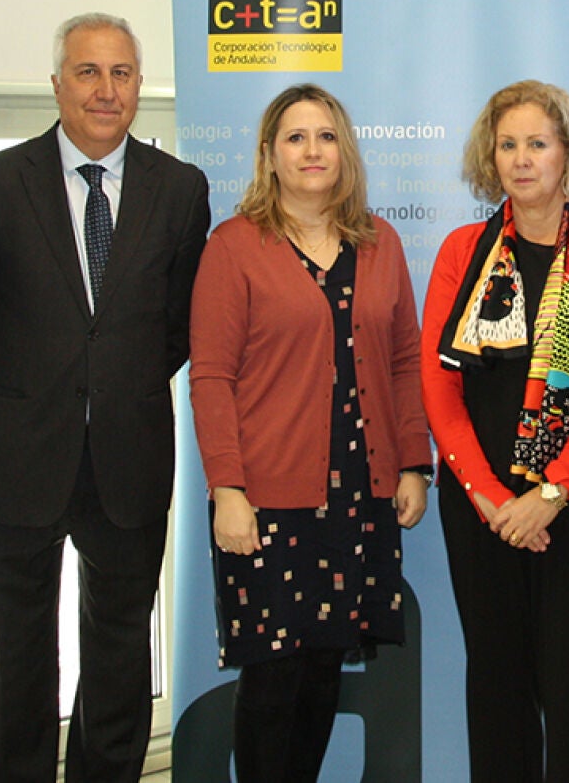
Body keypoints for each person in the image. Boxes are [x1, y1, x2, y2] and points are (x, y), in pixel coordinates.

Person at [0, 13, 210, 782]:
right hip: (19, 456)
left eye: (121, 73)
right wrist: (38, 389)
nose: (106, 89)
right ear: (57, 83)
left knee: (120, 655)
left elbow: (178, 325)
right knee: (19, 654)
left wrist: (112, 387)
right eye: (89, 71)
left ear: (139, 84)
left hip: (128, 457)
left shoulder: (180, 188)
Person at [188, 84, 433, 781]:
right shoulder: (234, 246)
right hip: (268, 498)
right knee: (272, 676)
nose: (312, 150)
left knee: (324, 666)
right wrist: (227, 489)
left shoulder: (380, 243)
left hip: (359, 493)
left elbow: (404, 361)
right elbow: (211, 377)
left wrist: (412, 464)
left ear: (344, 151)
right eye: (295, 137)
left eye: (326, 136)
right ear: (270, 154)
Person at [420, 80, 569, 782]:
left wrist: (550, 493)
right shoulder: (463, 252)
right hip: (483, 509)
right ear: (490, 157)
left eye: (538, 144)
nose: (522, 159)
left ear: (568, 153)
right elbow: (438, 384)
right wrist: (494, 498)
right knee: (497, 689)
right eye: (508, 145)